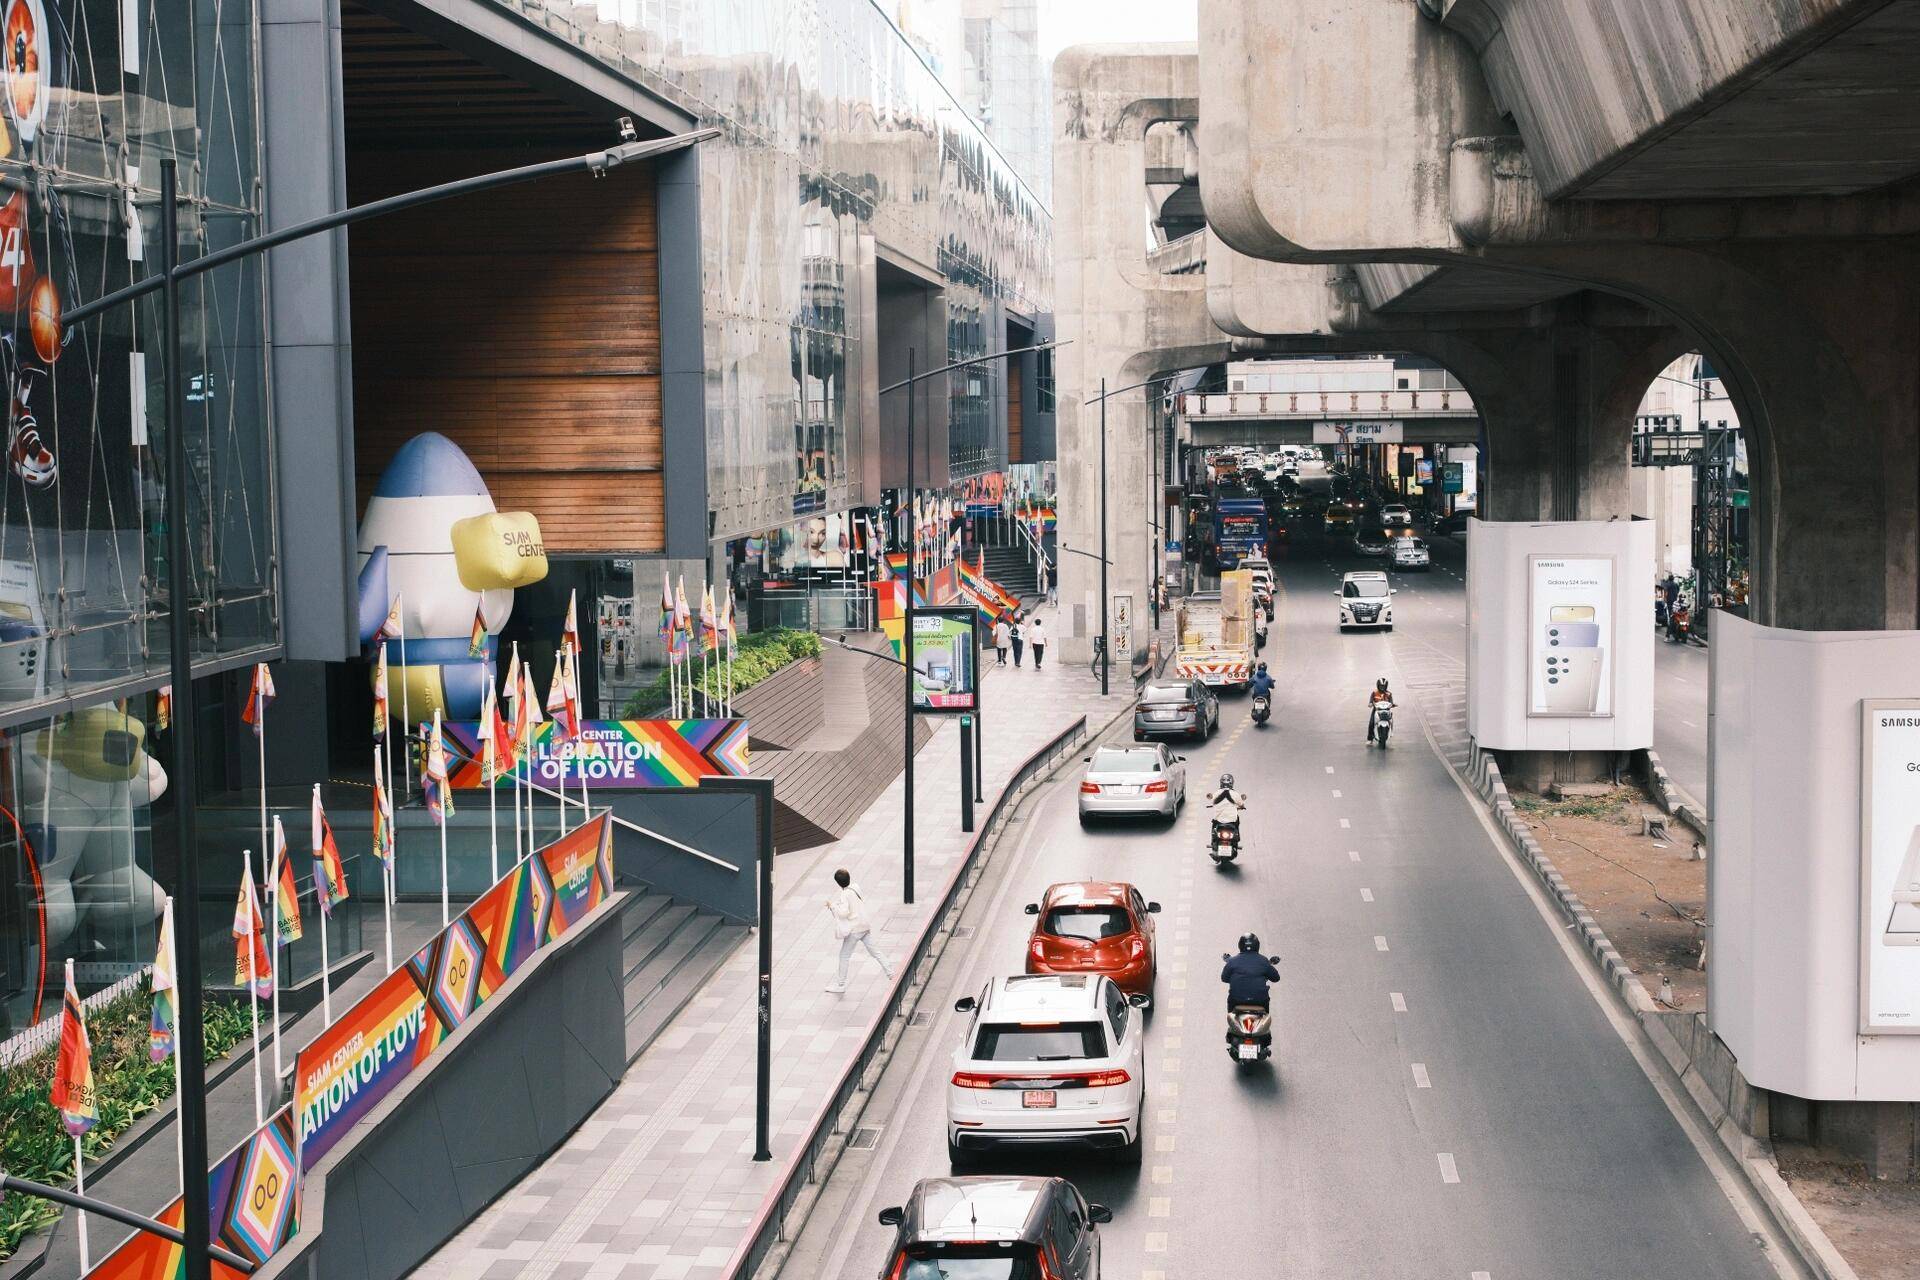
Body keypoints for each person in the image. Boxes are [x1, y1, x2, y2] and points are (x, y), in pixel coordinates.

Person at [825, 868, 893, 993]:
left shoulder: (844, 894)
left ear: (838, 883)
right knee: (875, 951)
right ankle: (891, 973)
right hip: (865, 926)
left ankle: (840, 985)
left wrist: (832, 907)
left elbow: (844, 913)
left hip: (855, 929)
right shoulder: (855, 887)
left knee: (844, 956)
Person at [1221, 933, 1279, 1008]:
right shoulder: (1263, 961)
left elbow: (1224, 978)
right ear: (1257, 945)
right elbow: (1276, 978)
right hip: (1260, 1001)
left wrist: (1237, 979)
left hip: (1237, 1001)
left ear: (1240, 945)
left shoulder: (1233, 961)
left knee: (1231, 1004)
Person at [1209, 773, 1247, 848]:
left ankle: (1213, 842)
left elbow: (1212, 801)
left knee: (1214, 825)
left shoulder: (1217, 793)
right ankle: (1236, 839)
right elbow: (1241, 803)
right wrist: (1242, 806)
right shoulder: (1235, 794)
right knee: (1237, 821)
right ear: (1232, 783)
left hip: (1219, 820)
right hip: (1231, 821)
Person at [1366, 677, 1392, 744]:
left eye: (1384, 686)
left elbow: (1391, 702)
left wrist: (1393, 704)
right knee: (1371, 723)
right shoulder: (1374, 693)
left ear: (1386, 686)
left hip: (1387, 710)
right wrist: (1370, 703)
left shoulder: (1389, 694)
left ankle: (1391, 732)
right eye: (1381, 686)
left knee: (1391, 720)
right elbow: (1371, 700)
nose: (1382, 688)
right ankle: (1370, 739)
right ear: (1378, 685)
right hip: (1377, 710)